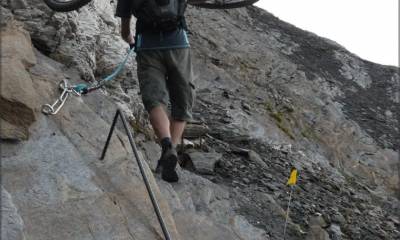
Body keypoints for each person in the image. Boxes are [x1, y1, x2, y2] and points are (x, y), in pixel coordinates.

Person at [116, 0, 195, 182]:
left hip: (148, 47)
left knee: (154, 101)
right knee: (182, 104)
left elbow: (125, 31)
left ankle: (166, 145)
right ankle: (170, 151)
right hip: (178, 45)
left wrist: (130, 40)